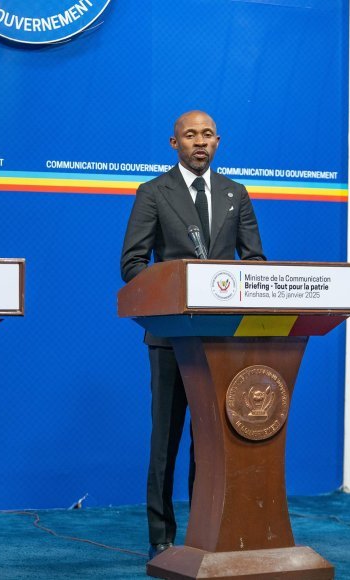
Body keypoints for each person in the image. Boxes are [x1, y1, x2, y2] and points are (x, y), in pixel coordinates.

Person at [120, 110, 265, 559]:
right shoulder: (153, 193)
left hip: (221, 340)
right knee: (166, 440)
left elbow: (255, 261)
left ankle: (206, 527)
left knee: (211, 441)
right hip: (170, 339)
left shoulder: (234, 194)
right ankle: (160, 536)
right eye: (190, 135)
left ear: (217, 142)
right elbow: (132, 265)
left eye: (206, 135)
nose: (199, 142)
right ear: (174, 143)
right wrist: (167, 293)